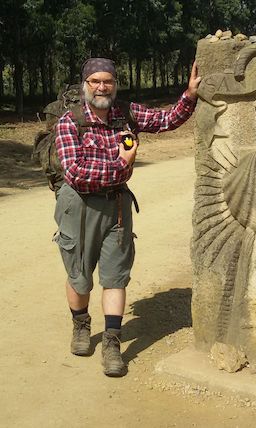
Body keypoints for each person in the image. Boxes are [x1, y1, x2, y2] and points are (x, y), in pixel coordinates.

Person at [54, 57, 200, 377]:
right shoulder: (69, 121)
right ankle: (80, 325)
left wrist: (189, 95)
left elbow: (166, 121)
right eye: (95, 81)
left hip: (117, 205)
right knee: (79, 275)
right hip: (78, 205)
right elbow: (77, 174)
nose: (102, 87)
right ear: (85, 85)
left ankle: (111, 343)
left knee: (115, 275)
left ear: (115, 84)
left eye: (108, 81)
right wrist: (122, 165)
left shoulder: (126, 113)